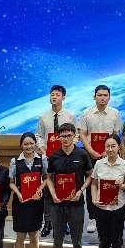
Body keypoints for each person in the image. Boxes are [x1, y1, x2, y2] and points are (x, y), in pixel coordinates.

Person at [45, 122, 92, 248]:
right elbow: (49, 178)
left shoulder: (82, 154)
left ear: (74, 136)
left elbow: (90, 176)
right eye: (63, 136)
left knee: (76, 239)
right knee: (57, 239)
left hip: (76, 204)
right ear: (58, 137)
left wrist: (80, 191)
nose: (65, 139)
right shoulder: (54, 156)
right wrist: (53, 194)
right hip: (57, 205)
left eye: (69, 135)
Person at [78, 84, 123, 234]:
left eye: (105, 95)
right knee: (92, 184)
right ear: (94, 96)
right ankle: (92, 216)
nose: (102, 98)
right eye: (100, 95)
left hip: (109, 154)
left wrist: (110, 152)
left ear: (109, 97)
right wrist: (91, 151)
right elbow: (83, 134)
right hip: (90, 155)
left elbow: (116, 134)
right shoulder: (86, 113)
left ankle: (110, 210)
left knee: (109, 182)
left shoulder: (115, 113)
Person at [35, 84, 76, 237]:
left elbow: (76, 135)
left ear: (63, 97)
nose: (54, 97)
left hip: (65, 157)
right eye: (52, 94)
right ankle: (47, 222)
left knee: (64, 187)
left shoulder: (70, 116)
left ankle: (65, 222)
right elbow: (38, 135)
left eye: (57, 94)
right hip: (48, 158)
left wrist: (69, 148)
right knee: (47, 191)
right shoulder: (43, 116)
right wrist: (42, 148)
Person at [90, 134, 125, 248]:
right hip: (101, 208)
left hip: (117, 208)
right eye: (108, 146)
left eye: (113, 146)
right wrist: (94, 199)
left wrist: (122, 185)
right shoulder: (99, 164)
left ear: (119, 147)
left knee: (117, 241)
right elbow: (94, 184)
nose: (110, 149)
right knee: (103, 241)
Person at [8, 132, 46, 248]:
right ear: (21, 146)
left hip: (36, 203)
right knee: (20, 236)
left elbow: (46, 179)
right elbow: (11, 182)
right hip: (21, 203)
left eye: (31, 143)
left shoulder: (42, 159)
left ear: (35, 144)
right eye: (26, 144)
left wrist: (40, 190)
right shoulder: (14, 162)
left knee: (34, 235)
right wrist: (18, 193)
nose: (29, 146)